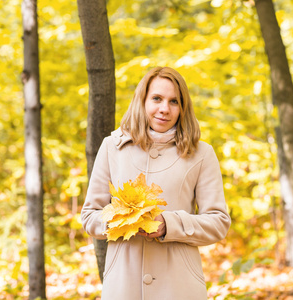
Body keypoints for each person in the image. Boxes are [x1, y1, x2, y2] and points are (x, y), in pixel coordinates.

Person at [81, 66, 231, 300]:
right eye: (157, 99)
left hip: (179, 286)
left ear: (183, 108)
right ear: (142, 101)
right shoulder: (112, 147)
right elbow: (90, 217)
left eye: (174, 102)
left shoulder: (201, 153)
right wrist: (125, 220)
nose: (164, 109)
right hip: (124, 284)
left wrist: (168, 224)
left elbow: (218, 222)